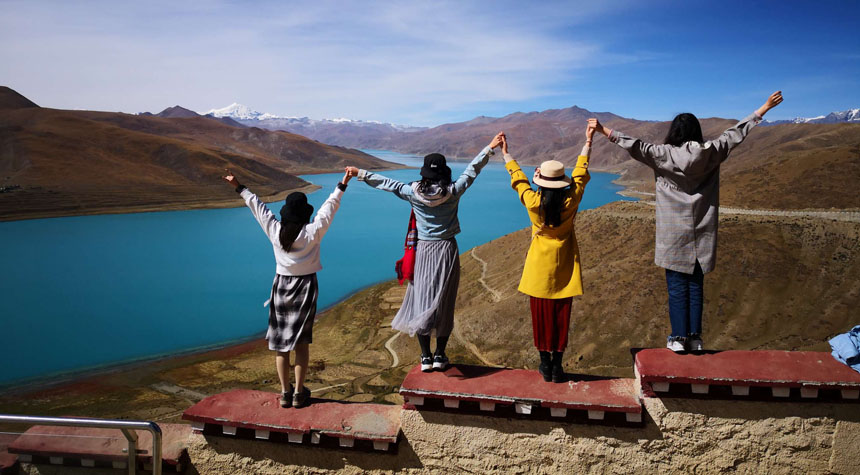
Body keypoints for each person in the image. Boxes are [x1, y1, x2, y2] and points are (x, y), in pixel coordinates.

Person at [590, 91, 784, 352]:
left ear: (674, 132)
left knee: (677, 288)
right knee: (695, 286)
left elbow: (634, 145)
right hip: (702, 231)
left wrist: (603, 130)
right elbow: (734, 135)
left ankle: (678, 338)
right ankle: (695, 337)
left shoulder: (661, 154)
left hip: (673, 233)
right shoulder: (712, 152)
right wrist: (762, 109)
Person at [346, 132, 505, 372]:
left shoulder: (412, 192)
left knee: (421, 301)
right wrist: (490, 148)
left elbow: (387, 184)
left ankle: (425, 357)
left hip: (423, 251)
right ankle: (440, 354)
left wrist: (361, 174)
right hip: (447, 251)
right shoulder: (454, 190)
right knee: (444, 302)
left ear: (424, 173)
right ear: (444, 172)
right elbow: (472, 170)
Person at [222, 168, 352, 407]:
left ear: (285, 214)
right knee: (301, 343)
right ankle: (299, 393)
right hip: (306, 288)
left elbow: (257, 207)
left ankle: (284, 393)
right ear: (304, 214)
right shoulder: (313, 232)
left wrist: (238, 186)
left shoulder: (275, 231)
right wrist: (342, 184)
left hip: (281, 287)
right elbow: (329, 208)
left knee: (281, 345)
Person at [499, 125, 592, 383]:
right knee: (561, 319)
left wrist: (507, 155)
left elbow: (519, 180)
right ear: (563, 183)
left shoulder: (533, 203)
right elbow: (580, 175)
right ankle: (558, 367)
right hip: (565, 271)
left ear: (540, 181)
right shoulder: (571, 201)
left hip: (538, 272)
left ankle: (544, 365)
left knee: (541, 319)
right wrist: (587, 143)